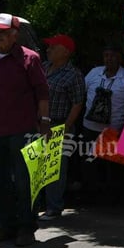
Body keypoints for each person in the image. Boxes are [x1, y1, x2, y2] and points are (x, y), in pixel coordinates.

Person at [0, 13, 50, 247]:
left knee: (24, 181)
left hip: (21, 130)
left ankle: (26, 228)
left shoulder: (29, 58)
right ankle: (7, 226)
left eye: (2, 32)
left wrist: (44, 122)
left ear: (14, 34)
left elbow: (42, 92)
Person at [39, 34, 86, 220]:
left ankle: (53, 207)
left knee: (55, 169)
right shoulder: (42, 68)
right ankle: (38, 204)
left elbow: (77, 103)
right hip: (37, 124)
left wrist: (66, 126)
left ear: (65, 52)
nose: (48, 49)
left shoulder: (73, 74)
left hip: (58, 125)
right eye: (48, 46)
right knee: (37, 166)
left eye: (53, 46)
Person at [81, 44, 124, 193]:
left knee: (113, 167)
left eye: (112, 56)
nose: (109, 59)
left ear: (119, 58)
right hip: (90, 127)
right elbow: (82, 92)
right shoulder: (94, 72)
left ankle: (113, 198)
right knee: (89, 163)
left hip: (113, 129)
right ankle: (91, 195)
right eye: (106, 55)